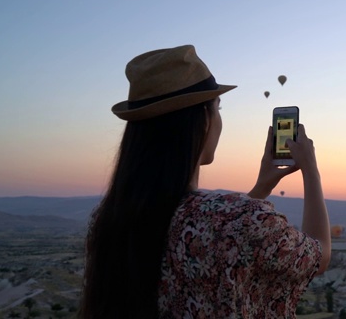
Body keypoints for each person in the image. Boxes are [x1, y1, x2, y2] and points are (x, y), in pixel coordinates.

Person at [79, 45, 331, 319]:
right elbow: (319, 255)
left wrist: (260, 189)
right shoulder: (242, 217)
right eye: (217, 108)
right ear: (203, 120)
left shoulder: (107, 219)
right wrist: (311, 171)